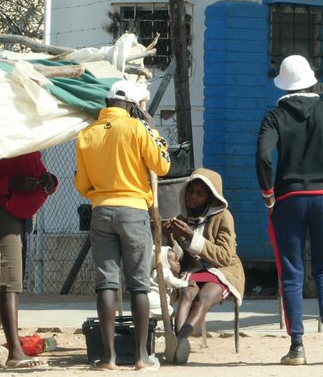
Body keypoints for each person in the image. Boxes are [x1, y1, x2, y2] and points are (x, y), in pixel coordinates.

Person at [255, 54, 323, 365]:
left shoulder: (274, 116)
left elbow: (263, 156)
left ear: (284, 88)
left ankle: (297, 346)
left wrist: (268, 196)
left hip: (289, 201)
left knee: (292, 273)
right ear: (313, 81)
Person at [74, 80, 170, 371]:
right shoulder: (139, 129)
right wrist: (153, 132)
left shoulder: (86, 134)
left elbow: (81, 184)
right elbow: (163, 165)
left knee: (106, 282)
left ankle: (108, 358)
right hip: (134, 211)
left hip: (101, 211)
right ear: (132, 105)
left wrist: (101, 194)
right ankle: (141, 357)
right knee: (138, 284)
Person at [163, 168, 245, 365]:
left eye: (200, 194)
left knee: (203, 298)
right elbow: (182, 260)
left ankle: (180, 341)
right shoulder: (182, 218)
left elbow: (225, 257)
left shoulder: (224, 217)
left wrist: (192, 236)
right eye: (191, 191)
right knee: (186, 293)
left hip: (223, 271)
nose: (193, 197)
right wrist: (171, 239)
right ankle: (176, 344)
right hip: (194, 271)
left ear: (211, 197)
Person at [0, 152, 57, 369]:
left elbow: (37, 167)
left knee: (11, 279)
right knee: (10, 278)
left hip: (17, 213)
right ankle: (14, 352)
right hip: (5, 210)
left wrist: (49, 180)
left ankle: (14, 350)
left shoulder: (23, 139)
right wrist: (11, 183)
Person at [147, 245, 193, 317]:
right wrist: (186, 283)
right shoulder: (163, 271)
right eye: (174, 261)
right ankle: (149, 315)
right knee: (170, 312)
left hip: (150, 299)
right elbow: (173, 282)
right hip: (155, 299)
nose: (178, 263)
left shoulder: (155, 271)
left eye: (178, 261)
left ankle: (150, 316)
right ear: (164, 262)